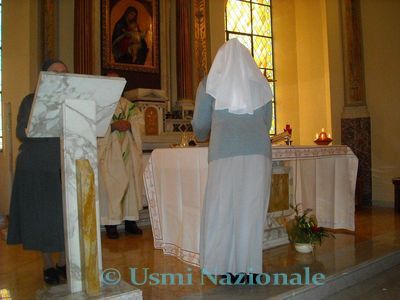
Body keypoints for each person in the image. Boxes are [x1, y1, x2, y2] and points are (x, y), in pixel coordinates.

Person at [192, 39, 274, 282]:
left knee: (222, 210)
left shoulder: (210, 83)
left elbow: (199, 124)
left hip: (224, 154)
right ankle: (248, 270)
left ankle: (223, 268)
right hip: (258, 154)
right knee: (251, 210)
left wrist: (202, 135)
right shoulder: (261, 82)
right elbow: (266, 123)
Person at [7, 59, 69, 285]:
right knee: (41, 219)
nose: (60, 75)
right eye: (55, 72)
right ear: (44, 75)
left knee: (64, 217)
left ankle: (63, 262)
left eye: (64, 72)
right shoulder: (30, 100)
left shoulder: (72, 101)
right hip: (36, 166)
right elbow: (21, 132)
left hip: (64, 165)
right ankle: (47, 265)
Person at [98, 72, 145, 239]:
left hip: (128, 152)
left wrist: (131, 125)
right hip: (110, 153)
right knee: (110, 187)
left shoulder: (129, 105)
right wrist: (112, 127)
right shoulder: (99, 105)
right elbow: (93, 127)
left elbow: (140, 123)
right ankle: (111, 224)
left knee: (130, 186)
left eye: (118, 82)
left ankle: (130, 222)